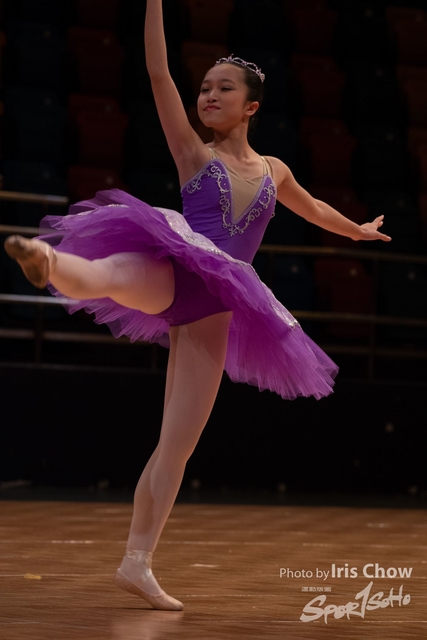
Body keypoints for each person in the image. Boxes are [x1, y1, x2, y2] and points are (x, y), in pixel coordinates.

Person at [4, 0, 391, 612]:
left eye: (222, 88)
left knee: (176, 444)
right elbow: (158, 73)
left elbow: (314, 209)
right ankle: (46, 261)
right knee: (109, 275)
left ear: (251, 106)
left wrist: (357, 232)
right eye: (205, 87)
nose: (208, 95)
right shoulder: (193, 153)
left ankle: (137, 564)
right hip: (177, 268)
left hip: (218, 305)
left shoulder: (274, 170)